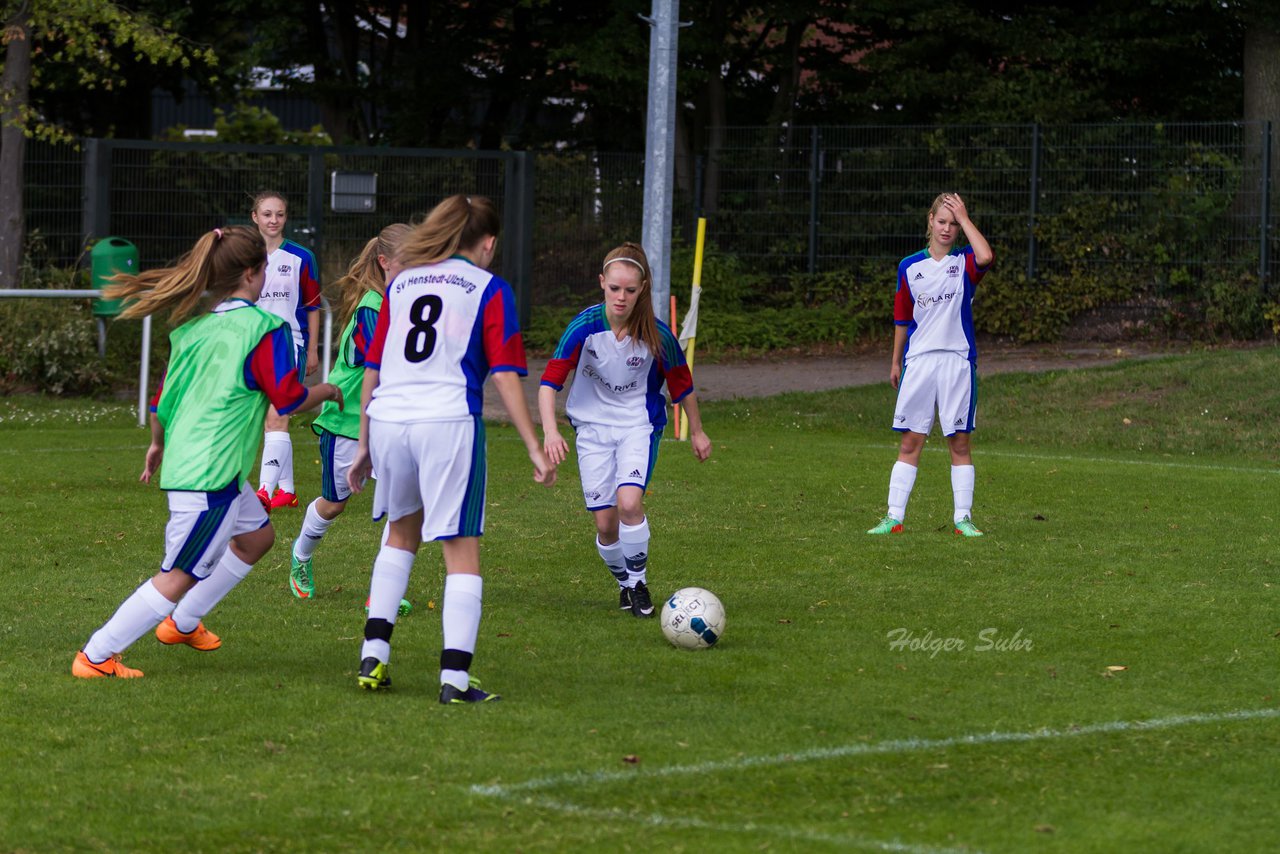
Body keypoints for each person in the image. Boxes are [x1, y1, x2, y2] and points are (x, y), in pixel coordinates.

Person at [72, 226, 343, 679]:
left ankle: (182, 623)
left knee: (258, 538)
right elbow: (290, 399)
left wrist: (157, 444)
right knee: (178, 575)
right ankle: (96, 656)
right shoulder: (266, 328)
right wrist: (330, 388)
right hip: (209, 477)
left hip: (204, 467)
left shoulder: (192, 332)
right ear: (255, 273)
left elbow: (161, 404)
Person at [347, 194, 555, 703]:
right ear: (487, 243)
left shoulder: (402, 282)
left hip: (390, 420)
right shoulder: (488, 287)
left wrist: (363, 442)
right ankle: (455, 682)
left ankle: (373, 656)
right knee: (461, 549)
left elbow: (373, 369)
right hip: (446, 421)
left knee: (400, 536)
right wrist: (533, 442)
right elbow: (504, 374)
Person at [538, 241, 711, 618]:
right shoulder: (584, 327)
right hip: (592, 430)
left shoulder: (657, 334)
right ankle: (624, 583)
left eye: (630, 290)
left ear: (642, 289)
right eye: (614, 288)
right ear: (602, 283)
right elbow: (548, 382)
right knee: (605, 524)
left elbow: (683, 385)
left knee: (629, 503)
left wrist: (697, 431)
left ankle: (639, 583)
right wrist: (551, 433)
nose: (621, 297)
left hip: (638, 426)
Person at [288, 223, 411, 600]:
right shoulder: (372, 308)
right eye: (409, 261)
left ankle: (383, 590)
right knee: (335, 503)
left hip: (387, 423)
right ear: (384, 261)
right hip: (345, 423)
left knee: (401, 506)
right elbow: (389, 364)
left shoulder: (407, 302)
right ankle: (300, 555)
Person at [867, 192, 994, 537]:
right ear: (930, 221)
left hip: (957, 362)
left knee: (960, 442)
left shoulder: (964, 263)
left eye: (953, 224)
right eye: (942, 221)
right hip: (919, 363)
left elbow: (986, 255)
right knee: (911, 441)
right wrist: (895, 361)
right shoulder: (909, 266)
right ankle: (893, 517)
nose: (947, 229)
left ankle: (962, 519)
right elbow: (901, 318)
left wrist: (966, 218)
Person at [250, 190, 322, 512]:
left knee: (277, 415)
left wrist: (313, 349)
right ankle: (288, 491)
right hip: (252, 346)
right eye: (267, 214)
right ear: (255, 217)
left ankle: (264, 491)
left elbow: (313, 306)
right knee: (272, 420)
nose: (273, 220)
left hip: (288, 344)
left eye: (279, 214)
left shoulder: (301, 257)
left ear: (286, 217)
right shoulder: (245, 256)